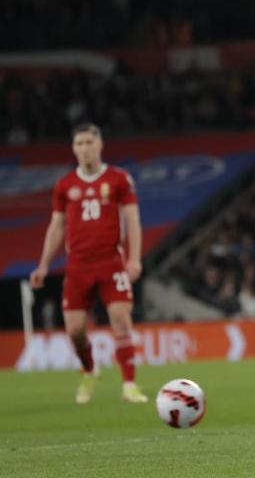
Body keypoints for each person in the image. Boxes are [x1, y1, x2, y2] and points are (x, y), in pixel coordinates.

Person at [29, 123, 148, 404]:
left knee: (120, 318)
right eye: (79, 144)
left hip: (111, 261)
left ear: (100, 145)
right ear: (73, 148)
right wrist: (44, 265)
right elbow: (56, 227)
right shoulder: (65, 185)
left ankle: (129, 384)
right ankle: (89, 370)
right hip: (78, 265)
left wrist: (134, 259)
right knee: (75, 331)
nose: (84, 148)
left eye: (88, 142)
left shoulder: (119, 179)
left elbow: (132, 220)